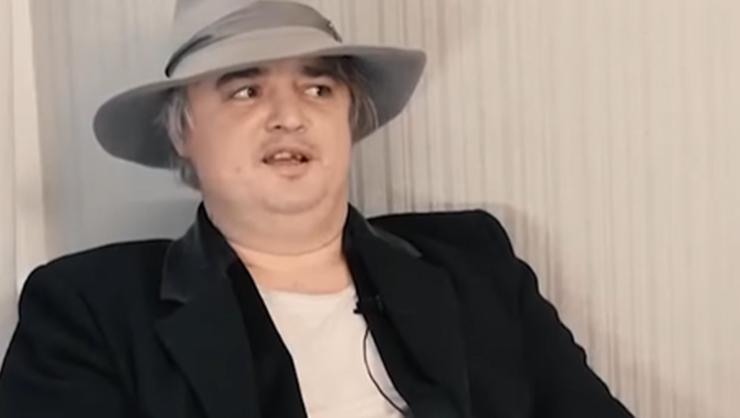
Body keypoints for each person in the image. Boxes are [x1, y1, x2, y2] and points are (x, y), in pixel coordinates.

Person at [0, 1, 635, 417]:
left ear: (349, 117)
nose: (289, 115)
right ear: (183, 131)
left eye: (318, 87)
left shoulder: (474, 261)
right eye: (246, 90)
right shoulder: (90, 310)